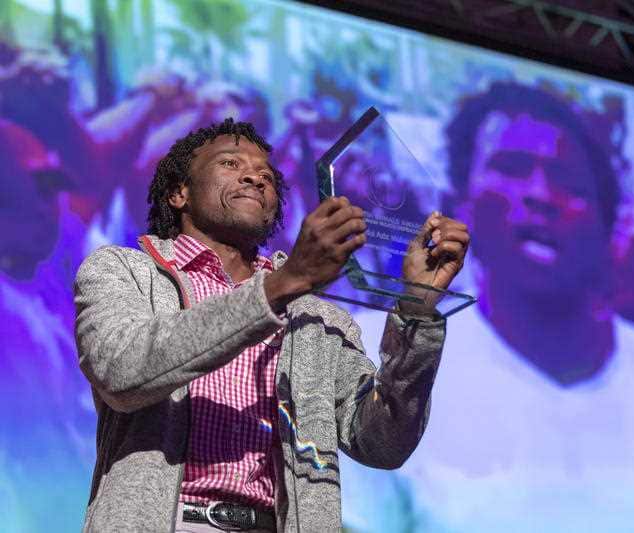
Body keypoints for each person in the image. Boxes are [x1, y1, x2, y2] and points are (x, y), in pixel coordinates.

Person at [346, 82, 634, 532]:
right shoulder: (380, 359)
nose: (540, 194)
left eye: (568, 180)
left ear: (606, 222)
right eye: (512, 167)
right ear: (461, 203)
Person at [73, 118, 469, 532]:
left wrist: (415, 308)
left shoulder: (318, 318)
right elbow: (121, 370)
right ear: (178, 193)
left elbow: (382, 442)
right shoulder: (124, 271)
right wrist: (281, 287)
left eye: (266, 175)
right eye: (229, 163)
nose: (254, 177)